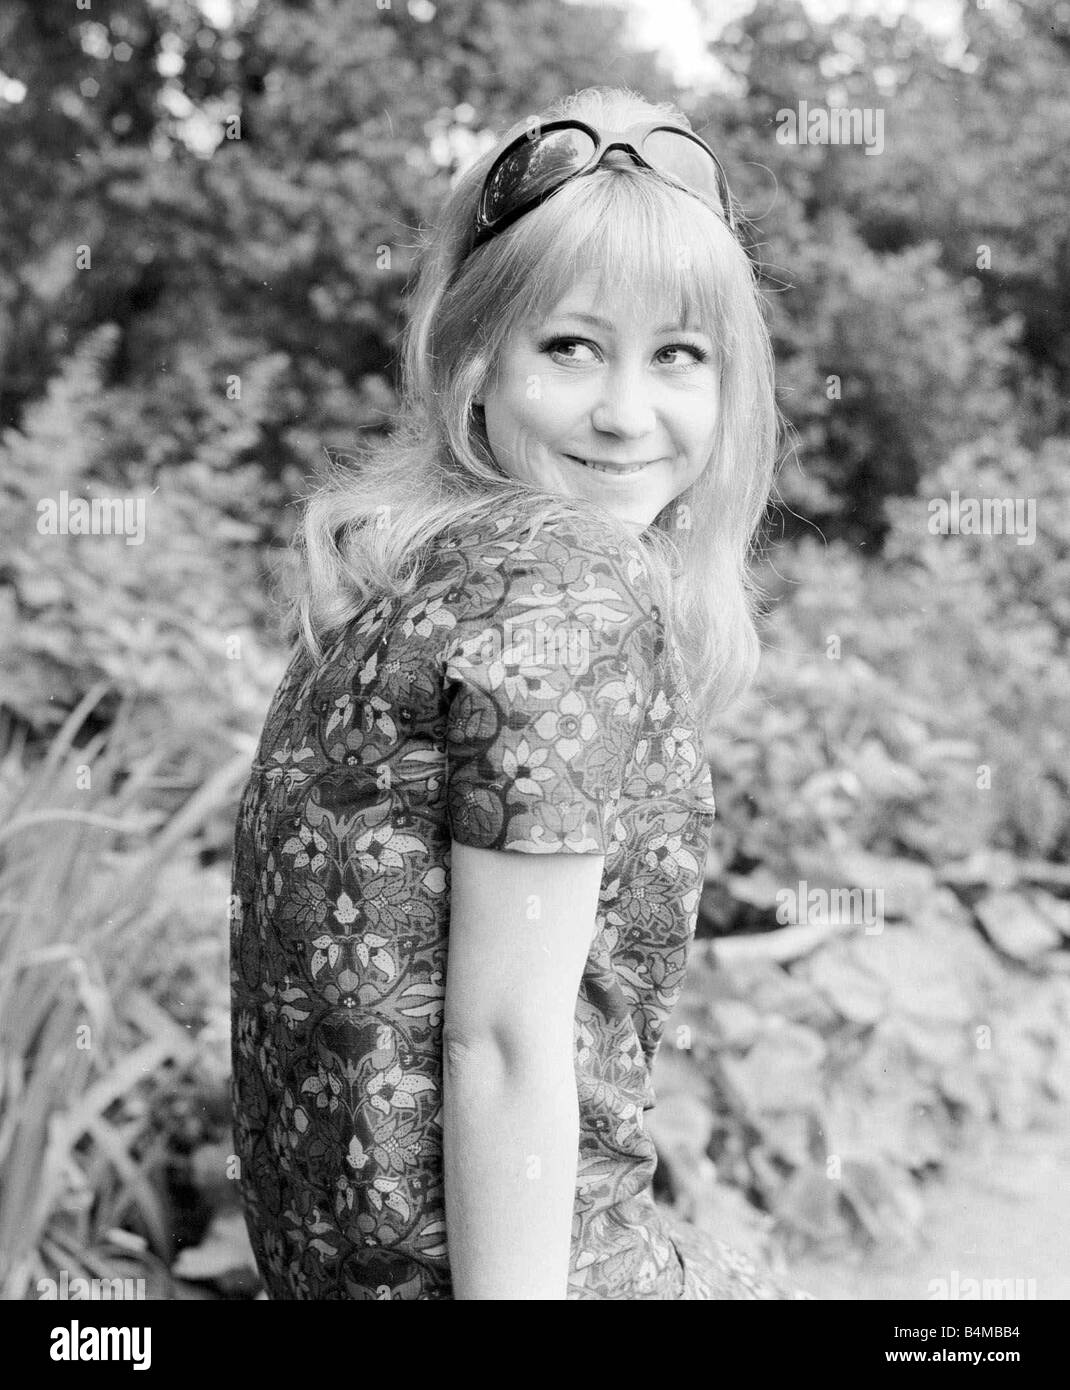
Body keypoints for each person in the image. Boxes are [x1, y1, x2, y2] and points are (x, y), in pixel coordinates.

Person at [230, 84, 808, 1300]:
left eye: (677, 356)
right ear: (473, 357)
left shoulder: (394, 570)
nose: (624, 411)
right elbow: (498, 1045)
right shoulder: (563, 581)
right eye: (572, 345)